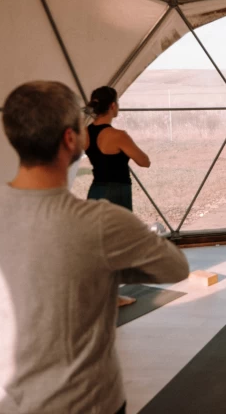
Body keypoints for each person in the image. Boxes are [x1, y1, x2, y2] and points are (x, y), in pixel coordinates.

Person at [0, 81, 189, 414]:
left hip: (7, 404)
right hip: (89, 403)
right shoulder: (101, 223)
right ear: (69, 139)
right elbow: (176, 267)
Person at [84, 86, 152, 308]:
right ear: (112, 105)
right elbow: (144, 161)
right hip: (117, 191)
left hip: (95, 191)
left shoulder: (85, 133)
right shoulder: (117, 135)